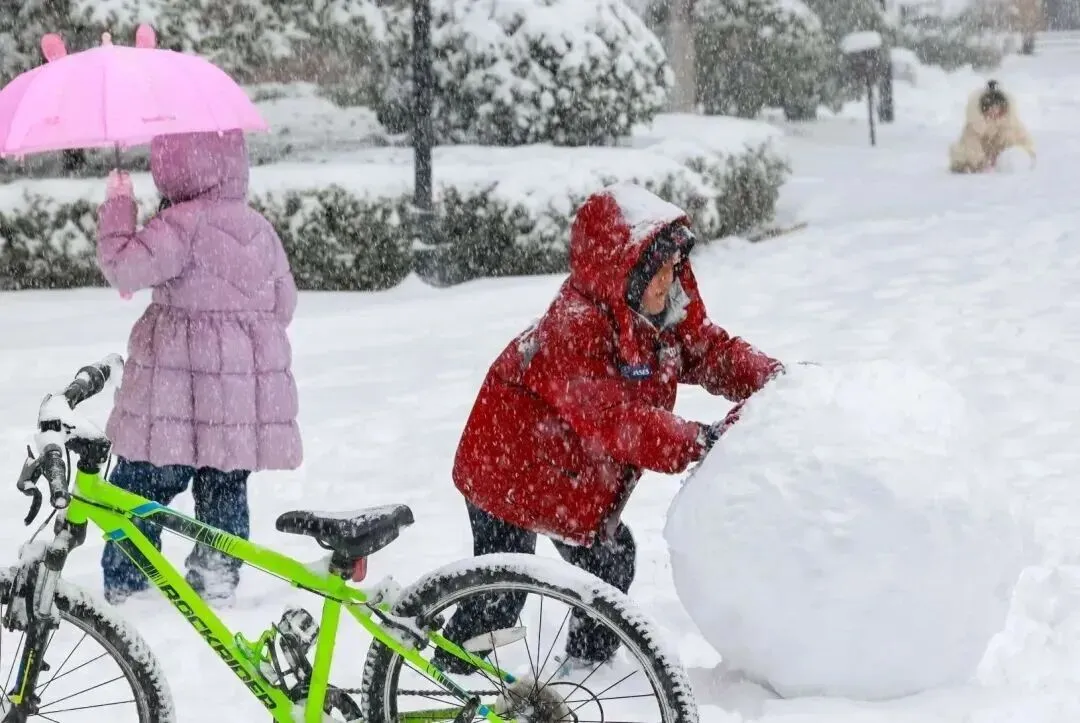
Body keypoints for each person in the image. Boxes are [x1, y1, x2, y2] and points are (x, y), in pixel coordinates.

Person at [434, 182, 784, 674]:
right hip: (509, 466)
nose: (669, 280)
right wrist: (697, 440)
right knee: (500, 596)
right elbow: (615, 419)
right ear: (623, 271)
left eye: (673, 268)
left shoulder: (659, 310)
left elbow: (711, 352)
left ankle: (586, 668)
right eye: (657, 271)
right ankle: (436, 679)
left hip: (570, 473)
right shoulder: (574, 326)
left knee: (609, 564)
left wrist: (773, 379)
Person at [95, 129, 302, 605]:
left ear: (173, 165)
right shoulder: (258, 228)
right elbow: (283, 304)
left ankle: (129, 582)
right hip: (237, 402)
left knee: (141, 482)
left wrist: (119, 206)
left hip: (174, 391)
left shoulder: (179, 226)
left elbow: (124, 267)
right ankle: (217, 575)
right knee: (225, 483)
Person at [949, 80, 1035, 174]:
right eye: (990, 109)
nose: (994, 112)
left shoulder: (1012, 125)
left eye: (998, 108)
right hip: (980, 170)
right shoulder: (973, 128)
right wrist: (978, 161)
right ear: (983, 109)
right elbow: (967, 148)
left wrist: (1013, 157)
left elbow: (1025, 144)